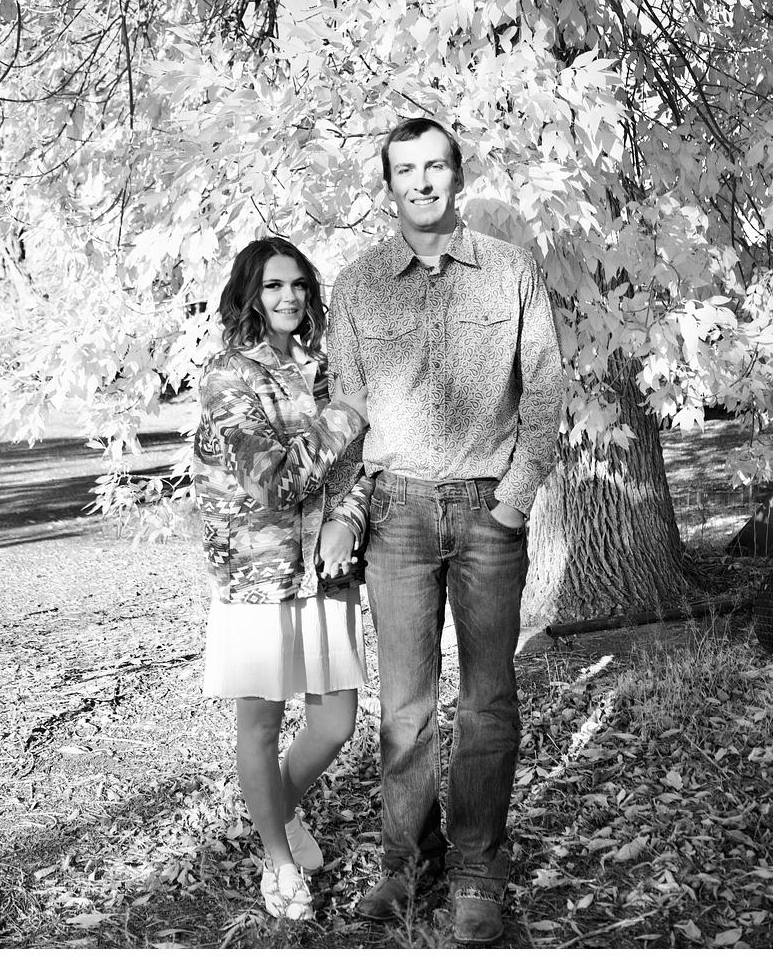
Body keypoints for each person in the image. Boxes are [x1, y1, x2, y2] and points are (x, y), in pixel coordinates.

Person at [328, 117, 564, 944]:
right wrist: (345, 510)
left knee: (488, 702)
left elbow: (544, 392)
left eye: (435, 166)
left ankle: (475, 872)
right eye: (406, 170)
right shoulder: (358, 285)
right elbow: (346, 412)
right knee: (405, 709)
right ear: (388, 185)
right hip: (395, 518)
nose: (422, 182)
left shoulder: (511, 272)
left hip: (489, 513)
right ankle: (406, 862)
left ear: (458, 177)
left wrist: (514, 501)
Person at [193, 237, 371, 922]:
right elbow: (272, 482)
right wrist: (346, 415)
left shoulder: (328, 368)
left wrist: (346, 520)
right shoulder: (229, 376)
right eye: (272, 285)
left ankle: (278, 809)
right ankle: (278, 858)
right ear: (250, 294)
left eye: (298, 284)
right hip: (259, 577)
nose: (289, 296)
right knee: (261, 722)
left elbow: (362, 471)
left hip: (325, 570)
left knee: (335, 721)